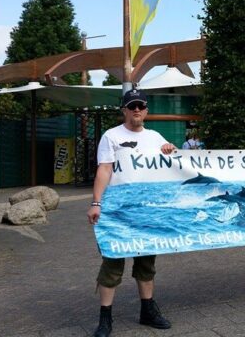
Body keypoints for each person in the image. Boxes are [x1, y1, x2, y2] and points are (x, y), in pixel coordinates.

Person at [87, 89, 176, 337]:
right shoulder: (111, 136)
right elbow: (104, 169)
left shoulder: (155, 136)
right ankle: (105, 318)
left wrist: (170, 150)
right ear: (124, 110)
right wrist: (96, 203)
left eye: (141, 105)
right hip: (118, 210)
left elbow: (170, 166)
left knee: (147, 262)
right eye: (131, 105)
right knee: (113, 263)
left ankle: (147, 311)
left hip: (147, 210)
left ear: (146, 110)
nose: (136, 110)